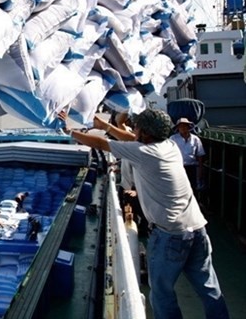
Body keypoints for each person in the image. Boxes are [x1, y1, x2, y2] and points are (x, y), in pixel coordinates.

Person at [62, 109, 229, 319]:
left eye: (139, 127)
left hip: (170, 235)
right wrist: (105, 126)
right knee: (208, 287)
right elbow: (132, 138)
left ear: (147, 134)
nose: (135, 129)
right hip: (197, 229)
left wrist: (70, 131)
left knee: (161, 293)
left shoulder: (145, 153)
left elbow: (102, 144)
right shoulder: (170, 146)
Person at [170, 117, 206, 192]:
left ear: (188, 127)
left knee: (192, 189)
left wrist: (200, 171)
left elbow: (200, 156)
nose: (183, 128)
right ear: (178, 128)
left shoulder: (195, 139)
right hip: (178, 167)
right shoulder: (173, 139)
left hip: (192, 167)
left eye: (184, 126)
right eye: (180, 126)